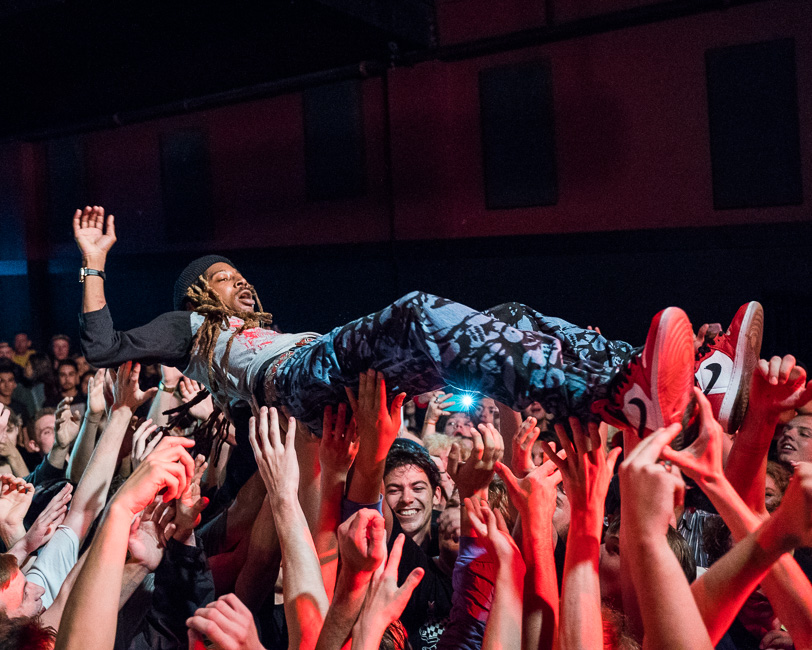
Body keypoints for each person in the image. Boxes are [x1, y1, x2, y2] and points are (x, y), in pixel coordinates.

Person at [74, 206, 697, 443]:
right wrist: (94, 265)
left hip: (318, 371)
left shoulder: (259, 328)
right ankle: (608, 398)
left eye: (238, 273)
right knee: (414, 313)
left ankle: (631, 375)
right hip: (294, 383)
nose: (238, 281)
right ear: (197, 293)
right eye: (221, 276)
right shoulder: (190, 329)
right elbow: (102, 347)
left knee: (508, 317)